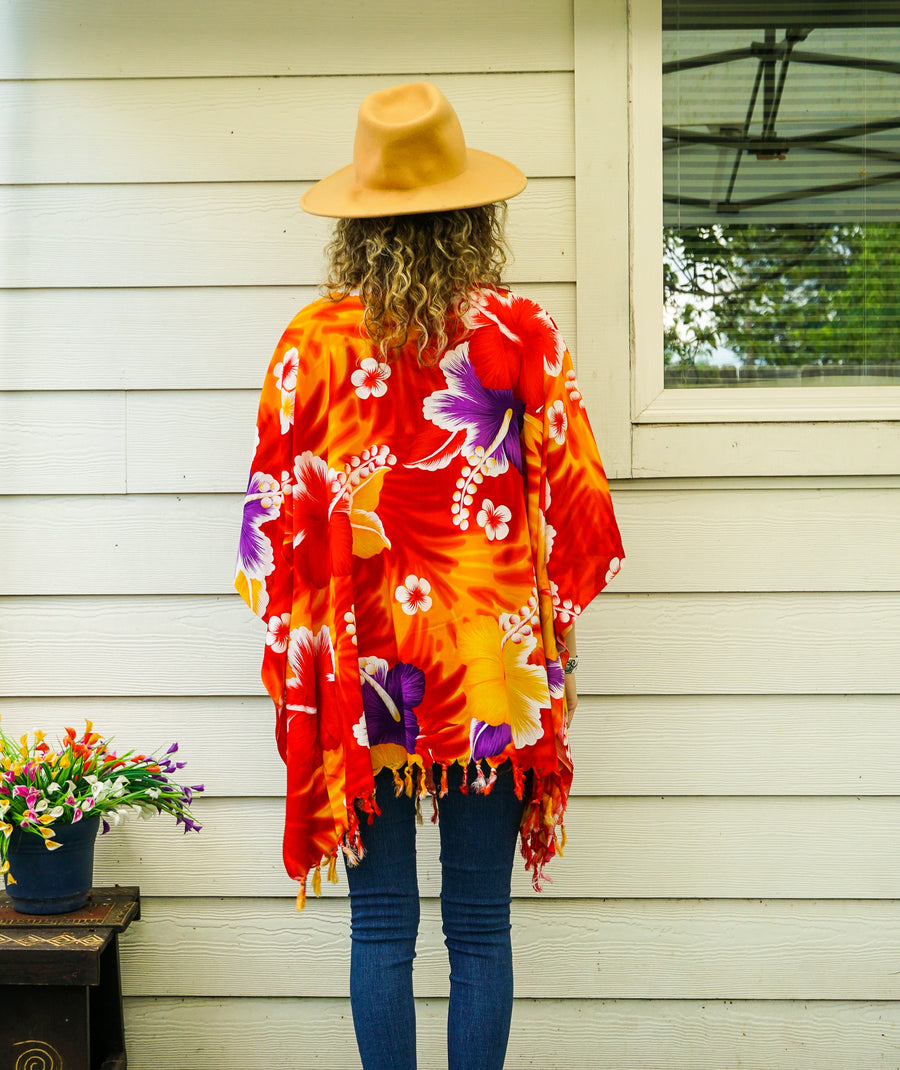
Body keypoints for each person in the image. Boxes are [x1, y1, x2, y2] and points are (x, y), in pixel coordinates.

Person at [235, 81, 624, 1070]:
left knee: (380, 926)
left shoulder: (311, 345)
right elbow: (578, 514)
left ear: (356, 227)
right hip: (489, 666)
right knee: (481, 923)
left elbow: (268, 531)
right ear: (473, 217)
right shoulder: (521, 334)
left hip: (361, 672)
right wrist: (558, 638)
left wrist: (308, 651)